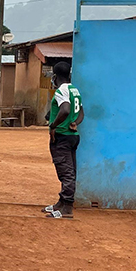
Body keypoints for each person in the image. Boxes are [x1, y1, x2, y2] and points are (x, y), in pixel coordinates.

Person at [43, 61, 84, 219]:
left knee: (66, 172)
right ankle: (61, 202)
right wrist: (75, 122)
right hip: (73, 136)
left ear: (55, 76)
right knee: (70, 170)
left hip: (61, 136)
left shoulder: (61, 91)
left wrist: (53, 125)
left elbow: (65, 109)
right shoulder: (75, 90)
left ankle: (67, 207)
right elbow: (81, 112)